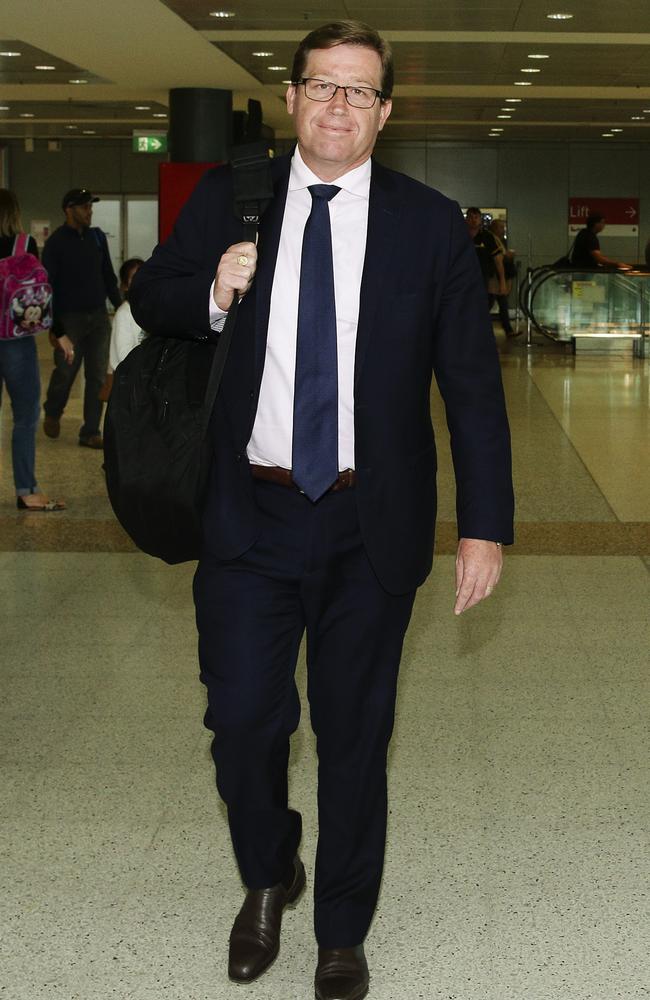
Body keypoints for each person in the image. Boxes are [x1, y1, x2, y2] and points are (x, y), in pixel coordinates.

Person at [130, 20, 514, 1000]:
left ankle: (340, 929)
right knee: (242, 721)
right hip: (247, 517)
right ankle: (268, 869)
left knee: (353, 732)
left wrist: (485, 522)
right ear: (293, 98)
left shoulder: (429, 226)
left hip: (365, 524)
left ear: (383, 112)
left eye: (358, 91)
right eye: (321, 86)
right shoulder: (232, 197)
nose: (337, 105)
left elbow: (469, 384)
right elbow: (155, 296)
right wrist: (211, 290)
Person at [0, 189, 66, 511]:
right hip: (15, 341)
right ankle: (26, 489)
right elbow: (42, 294)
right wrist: (59, 332)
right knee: (25, 417)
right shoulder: (24, 245)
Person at [41, 188, 122, 448]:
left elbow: (108, 276)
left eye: (90, 207)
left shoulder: (97, 238)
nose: (90, 212)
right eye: (84, 207)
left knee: (97, 376)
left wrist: (121, 308)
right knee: (65, 372)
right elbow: (47, 287)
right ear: (69, 209)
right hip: (69, 319)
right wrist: (56, 326)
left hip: (99, 317)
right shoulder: (55, 243)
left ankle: (90, 431)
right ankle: (53, 411)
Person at [99, 258, 145, 402]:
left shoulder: (151, 310)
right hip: (126, 383)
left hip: (143, 380)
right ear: (125, 286)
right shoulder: (124, 313)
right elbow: (124, 357)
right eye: (134, 278)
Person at [488, 217, 518, 337]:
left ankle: (508, 329)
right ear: (494, 228)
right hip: (494, 277)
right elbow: (497, 259)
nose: (503, 230)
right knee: (490, 302)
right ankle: (507, 329)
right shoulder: (492, 240)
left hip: (500, 277)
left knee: (503, 304)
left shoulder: (501, 241)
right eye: (501, 227)